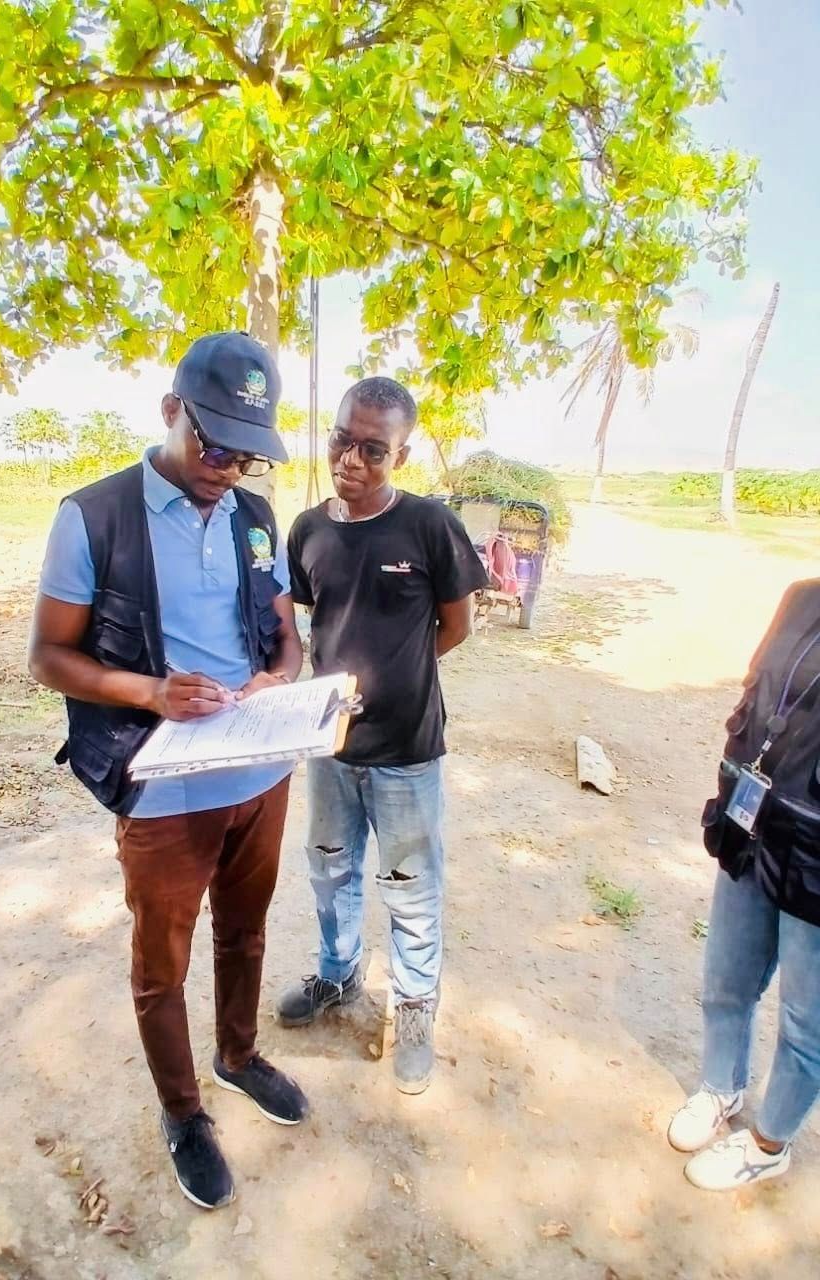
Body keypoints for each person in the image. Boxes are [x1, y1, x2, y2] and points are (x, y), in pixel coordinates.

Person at [28, 332, 308, 1211]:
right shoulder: (95, 517)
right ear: (170, 412)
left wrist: (278, 679)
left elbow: (286, 635)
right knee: (162, 967)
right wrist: (151, 692)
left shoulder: (254, 518)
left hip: (257, 777)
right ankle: (183, 1113)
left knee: (247, 934)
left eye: (246, 455)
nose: (227, 469)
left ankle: (237, 1056)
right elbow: (47, 657)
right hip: (162, 792)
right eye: (214, 446)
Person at [276, 377, 487, 1093]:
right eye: (342, 440)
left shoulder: (429, 526)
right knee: (330, 868)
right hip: (331, 748)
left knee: (411, 888)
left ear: (402, 453)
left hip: (406, 751)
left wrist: (399, 678)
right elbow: (315, 622)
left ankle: (415, 1008)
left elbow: (455, 626)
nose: (352, 460)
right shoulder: (307, 530)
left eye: (374, 449)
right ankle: (338, 976)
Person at [669, 578, 820, 1190]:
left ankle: (767, 1144)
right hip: (755, 822)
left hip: (816, 857)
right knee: (726, 980)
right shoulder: (802, 596)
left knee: (806, 1023)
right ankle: (720, 1088)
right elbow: (758, 701)